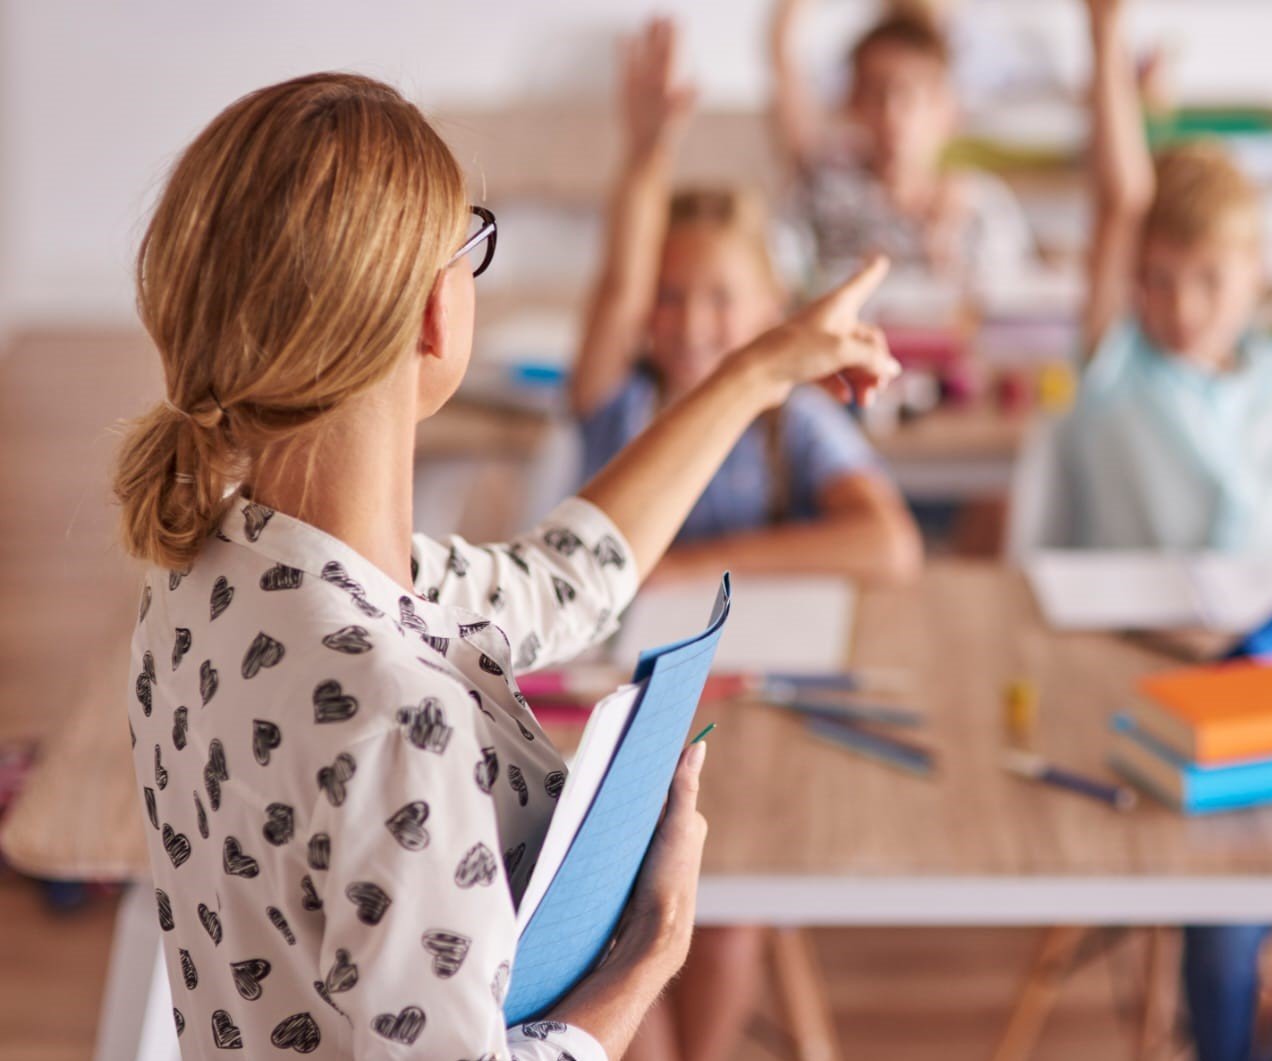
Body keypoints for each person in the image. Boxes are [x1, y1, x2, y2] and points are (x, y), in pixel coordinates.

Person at [114, 70, 898, 1061]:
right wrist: (647, 954)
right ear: (437, 315)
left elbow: (560, 578)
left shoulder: (214, 565)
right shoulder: (402, 714)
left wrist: (756, 370)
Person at [1062, 0, 1272, 1057]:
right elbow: (1119, 195)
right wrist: (1107, 47)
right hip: (1154, 674)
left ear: (1258, 271)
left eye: (1206, 278)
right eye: (1154, 279)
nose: (1178, 304)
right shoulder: (1119, 372)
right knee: (1228, 897)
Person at [573, 17, 923, 590]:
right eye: (666, 296)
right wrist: (646, 153)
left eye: (721, 299)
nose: (690, 324)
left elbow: (891, 545)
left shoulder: (796, 421)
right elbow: (618, 288)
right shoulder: (617, 404)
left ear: (772, 308)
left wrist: (689, 570)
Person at [769, 0, 1035, 281]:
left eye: (910, 94)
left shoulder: (982, 208)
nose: (892, 113)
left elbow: (1010, 303)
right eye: (876, 94)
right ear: (853, 102)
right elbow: (781, 281)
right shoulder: (820, 192)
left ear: (946, 106)